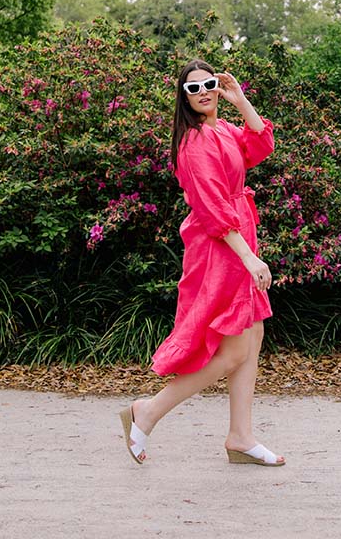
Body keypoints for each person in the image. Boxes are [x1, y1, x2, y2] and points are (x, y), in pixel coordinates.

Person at [119, 59, 285, 467]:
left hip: (238, 236)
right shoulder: (193, 143)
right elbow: (211, 209)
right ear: (184, 97)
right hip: (219, 248)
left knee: (253, 335)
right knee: (231, 351)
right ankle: (149, 411)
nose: (204, 92)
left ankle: (240, 437)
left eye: (209, 84)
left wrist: (241, 99)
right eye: (194, 88)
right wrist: (249, 258)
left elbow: (261, 145)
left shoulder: (223, 129)